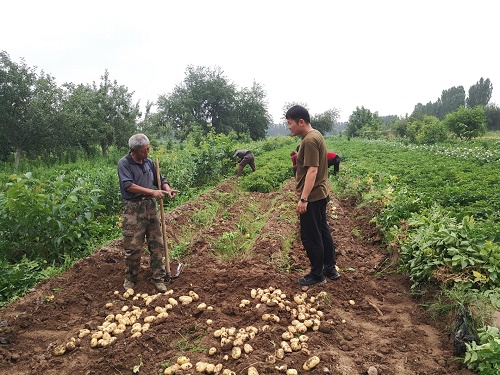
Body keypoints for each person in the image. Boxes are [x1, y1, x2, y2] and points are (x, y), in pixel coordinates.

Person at [286, 105, 340, 287]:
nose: (289, 127)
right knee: (323, 231)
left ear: (301, 122)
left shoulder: (308, 140)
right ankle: (330, 269)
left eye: (290, 123)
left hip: (313, 196)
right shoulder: (316, 134)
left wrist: (303, 199)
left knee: (311, 235)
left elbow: (312, 170)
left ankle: (317, 274)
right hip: (321, 193)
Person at [117, 134, 179, 292]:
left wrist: (167, 189)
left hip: (150, 207)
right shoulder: (124, 164)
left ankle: (158, 277)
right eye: (145, 150)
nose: (148, 152)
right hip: (133, 208)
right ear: (134, 150)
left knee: (156, 243)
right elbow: (128, 185)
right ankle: (131, 278)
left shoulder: (149, 162)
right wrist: (152, 192)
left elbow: (160, 179)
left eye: (148, 149)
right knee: (132, 246)